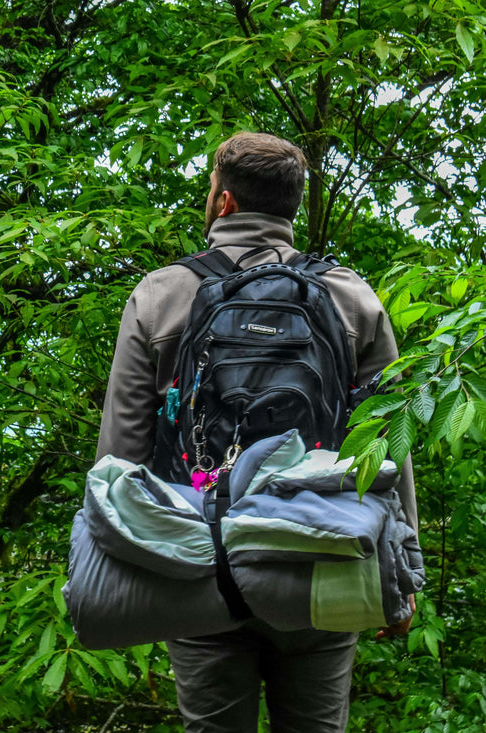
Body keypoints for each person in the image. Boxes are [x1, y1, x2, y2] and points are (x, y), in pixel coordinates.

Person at [95, 132, 417, 733]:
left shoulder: (161, 295)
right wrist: (402, 570)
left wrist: (113, 575)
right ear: (292, 206)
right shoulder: (352, 299)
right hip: (323, 558)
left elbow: (121, 453)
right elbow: (387, 446)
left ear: (223, 203)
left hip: (197, 560)